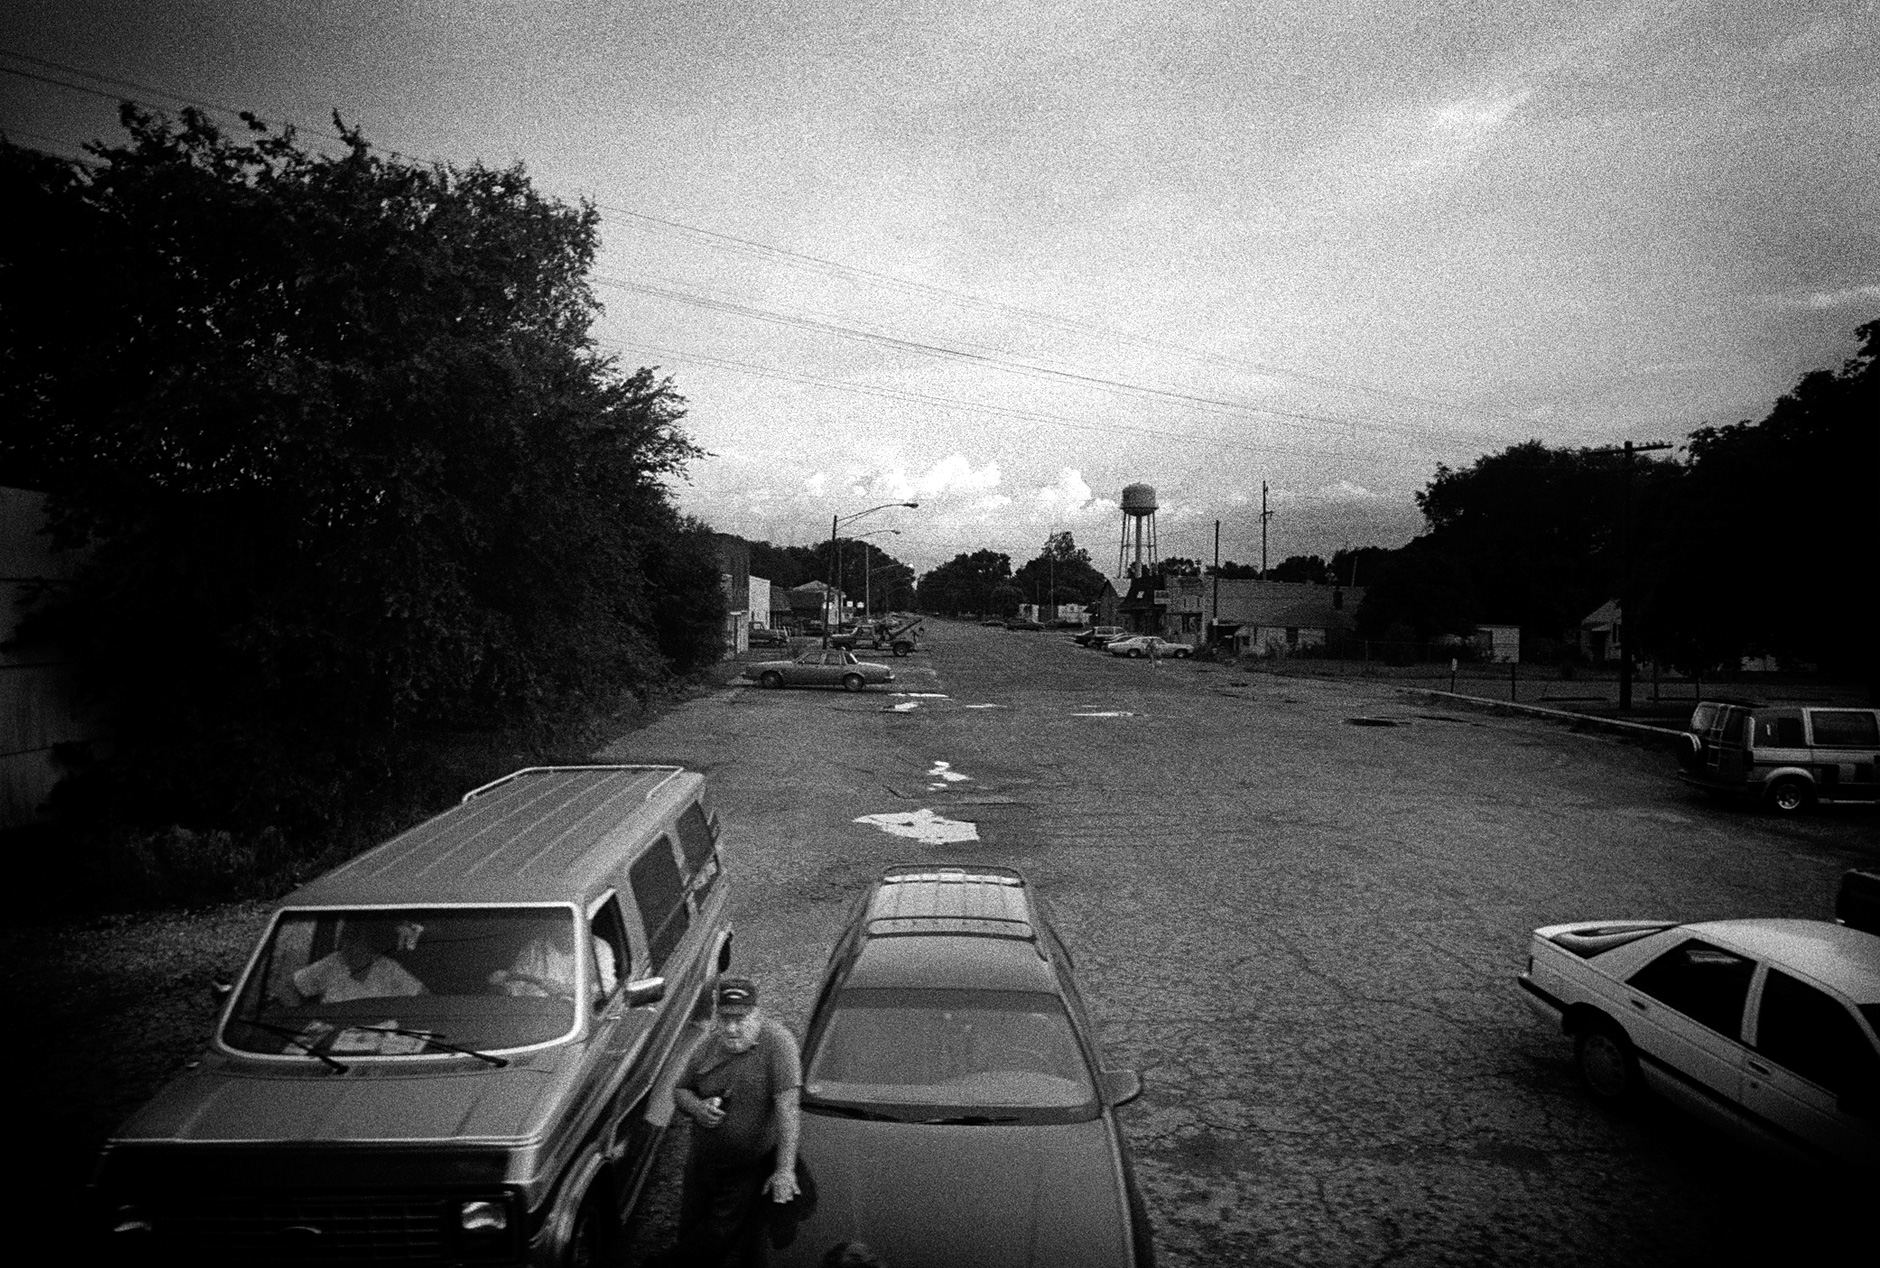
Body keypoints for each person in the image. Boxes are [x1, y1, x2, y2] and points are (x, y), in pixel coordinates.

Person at [667, 976, 802, 1266]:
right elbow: (680, 1090)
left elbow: (788, 1108)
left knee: (719, 1234)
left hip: (745, 1167)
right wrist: (697, 1106)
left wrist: (785, 1170)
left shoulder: (779, 1044)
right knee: (690, 1225)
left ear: (757, 1014)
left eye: (740, 1019)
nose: (731, 1028)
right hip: (701, 1163)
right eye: (724, 1018)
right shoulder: (707, 1045)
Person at [291, 920, 425, 1004]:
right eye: (345, 938)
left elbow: (425, 999)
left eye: (354, 940)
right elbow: (287, 987)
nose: (347, 945)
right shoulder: (332, 963)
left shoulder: (388, 970)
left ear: (369, 943)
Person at [489, 921, 617, 1000]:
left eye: (571, 927)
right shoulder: (535, 947)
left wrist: (564, 990)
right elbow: (514, 985)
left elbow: (607, 987)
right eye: (562, 928)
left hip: (577, 1018)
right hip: (534, 1014)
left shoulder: (598, 947)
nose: (566, 933)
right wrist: (504, 988)